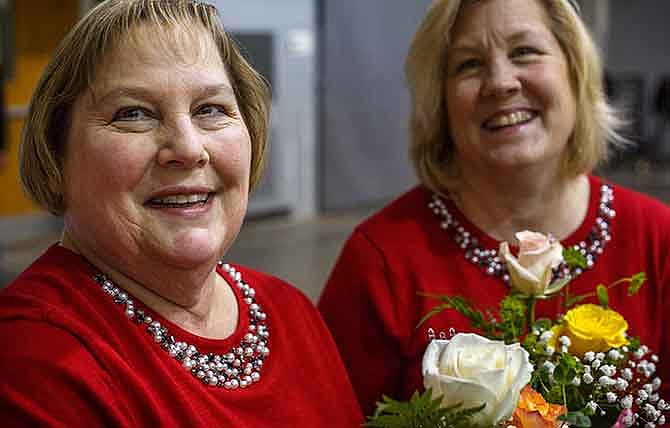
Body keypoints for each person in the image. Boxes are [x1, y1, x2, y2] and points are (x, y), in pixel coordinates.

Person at [0, 1, 362, 426]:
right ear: (56, 153)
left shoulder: (290, 311)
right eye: (133, 114)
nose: (189, 149)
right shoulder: (33, 361)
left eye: (210, 109)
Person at [318, 0, 670, 416]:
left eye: (524, 52)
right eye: (468, 64)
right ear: (441, 104)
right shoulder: (381, 258)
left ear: (576, 71)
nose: (500, 83)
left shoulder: (657, 237)